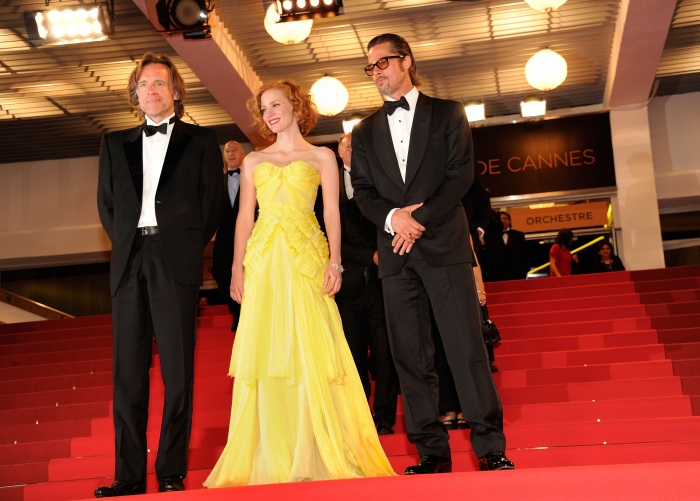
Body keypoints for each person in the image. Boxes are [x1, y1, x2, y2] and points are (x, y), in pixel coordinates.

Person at [203, 79, 395, 488]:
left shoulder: (321, 156)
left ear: (295, 105)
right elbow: (244, 217)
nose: (270, 114)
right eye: (264, 108)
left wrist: (336, 262)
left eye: (276, 105)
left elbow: (332, 213)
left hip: (307, 260)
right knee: (268, 350)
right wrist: (236, 267)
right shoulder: (254, 161)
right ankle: (274, 450)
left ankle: (314, 448)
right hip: (264, 262)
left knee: (312, 348)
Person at [351, 33, 513, 474]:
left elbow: (460, 176)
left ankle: (489, 447)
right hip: (395, 254)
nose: (376, 72)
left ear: (406, 60)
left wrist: (416, 219)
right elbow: (363, 192)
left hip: (443, 245)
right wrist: (393, 219)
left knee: (466, 348)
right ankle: (431, 452)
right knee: (409, 356)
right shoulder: (363, 131)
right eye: (370, 66)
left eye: (383, 62)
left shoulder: (448, 112)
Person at [95, 52, 225, 497]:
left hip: (176, 260)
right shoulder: (114, 143)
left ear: (176, 92)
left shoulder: (202, 140)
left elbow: (213, 204)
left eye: (159, 83)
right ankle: (128, 476)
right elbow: (107, 204)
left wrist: (187, 245)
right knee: (128, 375)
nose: (151, 90)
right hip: (129, 260)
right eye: (144, 84)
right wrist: (127, 240)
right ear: (135, 94)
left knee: (178, 372)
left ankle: (171, 472)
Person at [335, 132, 398, 436]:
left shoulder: (382, 188)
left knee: (385, 357)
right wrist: (370, 255)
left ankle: (385, 417)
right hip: (348, 291)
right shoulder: (329, 190)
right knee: (355, 357)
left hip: (382, 288)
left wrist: (381, 254)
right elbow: (330, 242)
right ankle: (361, 419)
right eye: (348, 146)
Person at [212, 140, 245, 331]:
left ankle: (248, 316)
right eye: (227, 151)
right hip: (224, 238)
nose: (231, 154)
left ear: (243, 154)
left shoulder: (253, 178)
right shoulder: (218, 182)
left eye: (235, 150)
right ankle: (237, 313)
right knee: (221, 273)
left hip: (250, 237)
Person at [483, 212, 529, 281]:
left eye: (505, 218)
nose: (503, 221)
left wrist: (523, 272)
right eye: (500, 219)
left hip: (516, 275)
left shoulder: (519, 235)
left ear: (509, 221)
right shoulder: (490, 236)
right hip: (496, 276)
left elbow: (524, 255)